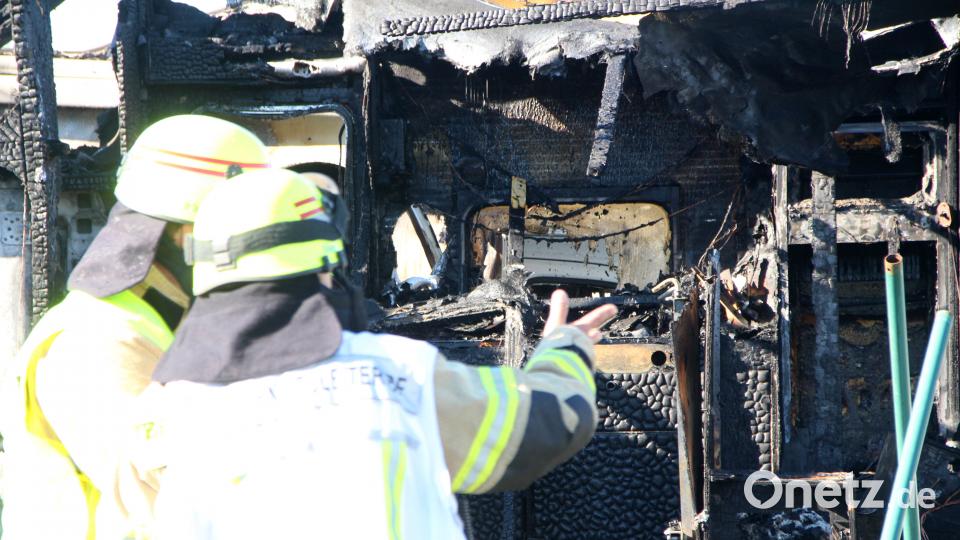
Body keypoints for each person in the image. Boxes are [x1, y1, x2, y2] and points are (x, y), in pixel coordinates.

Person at [124, 168, 616, 539]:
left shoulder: (160, 412)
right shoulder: (399, 379)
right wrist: (563, 350)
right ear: (324, 267)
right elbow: (551, 421)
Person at [0, 115, 269, 540]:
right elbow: (172, 505)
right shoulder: (97, 342)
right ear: (185, 236)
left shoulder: (157, 317)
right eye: (248, 234)